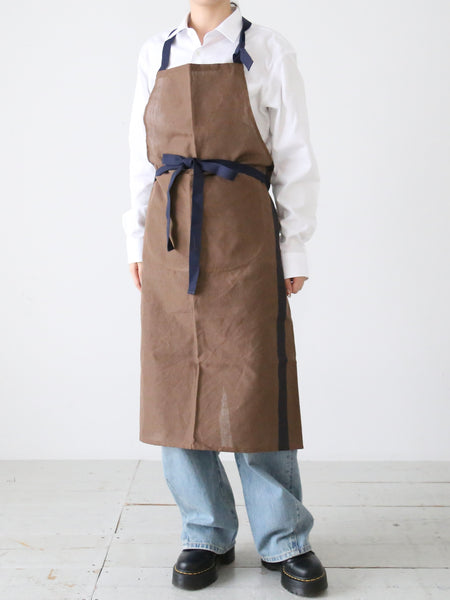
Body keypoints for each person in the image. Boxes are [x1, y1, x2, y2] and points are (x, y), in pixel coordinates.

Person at [122, 0, 326, 596]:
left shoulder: (268, 48)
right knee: (174, 379)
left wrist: (295, 247)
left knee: (256, 378)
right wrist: (135, 239)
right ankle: (204, 531)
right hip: (171, 235)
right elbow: (140, 157)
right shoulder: (157, 53)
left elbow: (295, 156)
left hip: (245, 232)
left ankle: (284, 537)